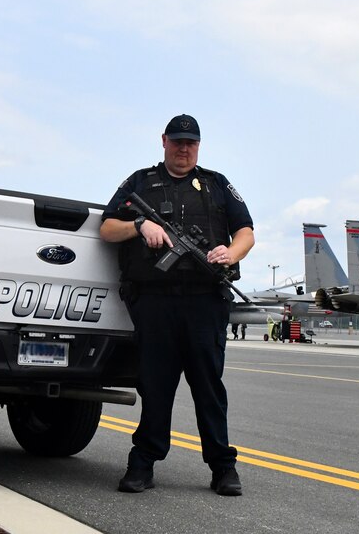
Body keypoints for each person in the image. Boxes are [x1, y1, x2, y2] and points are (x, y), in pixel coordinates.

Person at [99, 114, 254, 497]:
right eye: (178, 141)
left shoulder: (217, 185)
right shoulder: (140, 183)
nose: (184, 149)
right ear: (164, 141)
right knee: (155, 386)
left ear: (198, 146)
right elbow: (106, 228)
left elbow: (247, 233)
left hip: (204, 302)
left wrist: (229, 253)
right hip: (154, 303)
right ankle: (143, 463)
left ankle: (223, 468)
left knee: (208, 389)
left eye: (191, 143)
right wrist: (139, 227)